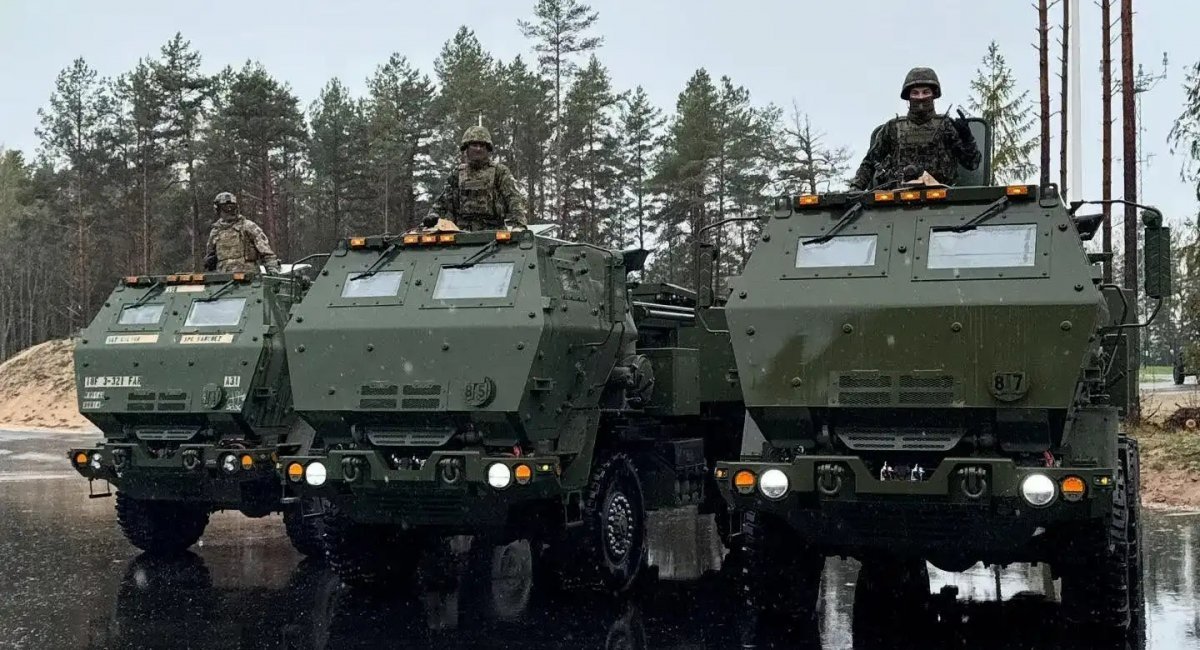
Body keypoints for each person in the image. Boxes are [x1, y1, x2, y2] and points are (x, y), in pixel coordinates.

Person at [849, 67, 981, 191]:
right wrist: (855, 188)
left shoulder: (947, 126)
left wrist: (967, 138)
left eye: (926, 92)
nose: (921, 97)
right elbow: (870, 162)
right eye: (915, 93)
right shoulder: (893, 128)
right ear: (908, 96)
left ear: (933, 95)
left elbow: (972, 164)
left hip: (943, 201)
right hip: (898, 202)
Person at [425, 126, 527, 231]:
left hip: (494, 233)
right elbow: (442, 202)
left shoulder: (499, 172)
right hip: (461, 234)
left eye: (482, 145)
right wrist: (431, 219)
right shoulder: (457, 174)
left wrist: (519, 225)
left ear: (488, 148)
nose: (478, 149)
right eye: (474, 145)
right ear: (466, 148)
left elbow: (514, 199)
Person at [203, 192, 281, 273]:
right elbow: (210, 256)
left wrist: (272, 270)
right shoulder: (216, 231)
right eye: (226, 208)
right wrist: (209, 262)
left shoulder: (248, 227)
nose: (230, 210)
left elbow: (267, 253)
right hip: (224, 279)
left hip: (248, 279)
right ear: (218, 210)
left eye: (233, 207)